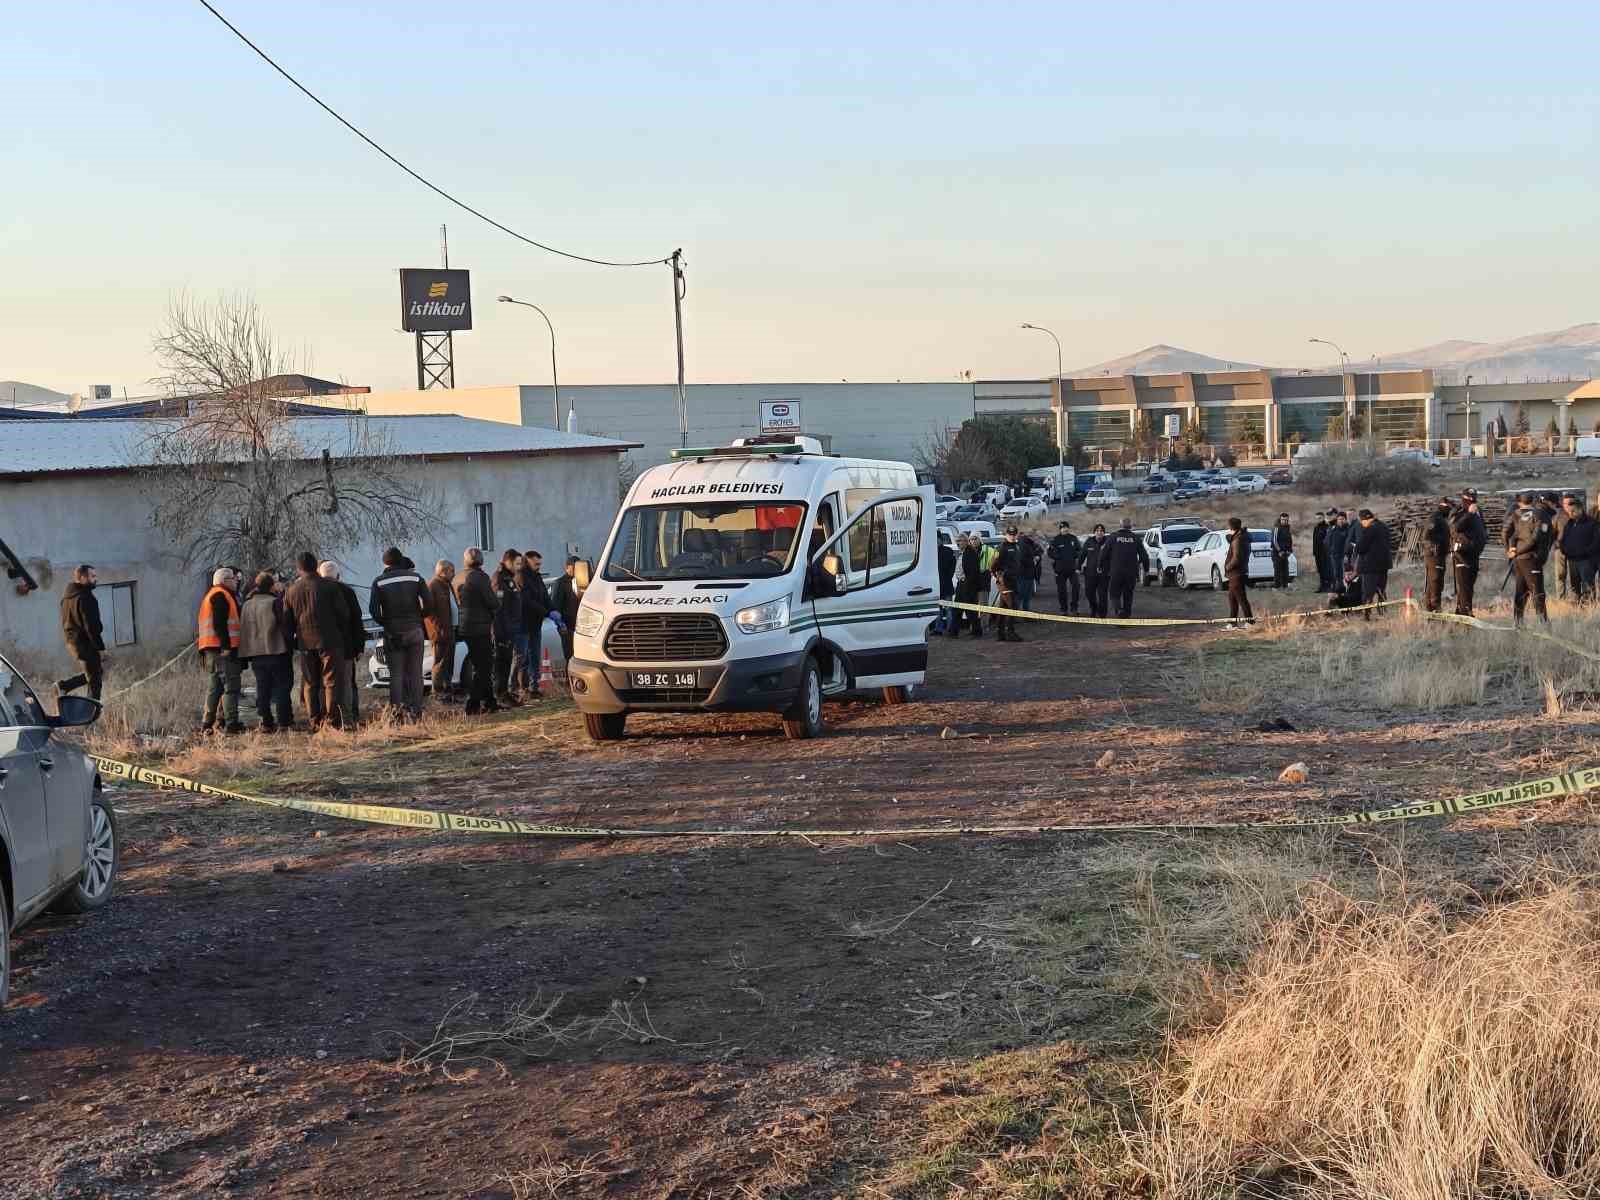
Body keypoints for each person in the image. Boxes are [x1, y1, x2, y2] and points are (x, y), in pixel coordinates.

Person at [284, 551, 347, 730]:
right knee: (331, 682)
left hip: (305, 642)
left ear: (299, 569)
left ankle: (315, 721)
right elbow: (343, 614)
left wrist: (293, 641)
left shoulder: (291, 591)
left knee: (310, 683)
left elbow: (287, 622)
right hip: (330, 640)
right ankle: (333, 722)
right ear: (316, 567)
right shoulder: (330, 586)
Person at [369, 547, 432, 720]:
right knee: (416, 673)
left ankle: (397, 714)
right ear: (401, 559)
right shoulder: (416, 577)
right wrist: (419, 617)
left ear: (385, 562)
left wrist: (387, 623)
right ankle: (416, 712)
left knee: (396, 674)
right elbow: (430, 602)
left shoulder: (379, 581)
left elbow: (373, 611)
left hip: (393, 632)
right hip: (415, 630)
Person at [239, 570, 294, 732]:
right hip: (276, 651)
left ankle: (265, 721)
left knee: (262, 687)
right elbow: (285, 626)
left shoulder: (247, 605)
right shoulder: (275, 602)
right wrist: (290, 645)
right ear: (271, 586)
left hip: (256, 654)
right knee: (282, 687)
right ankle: (284, 721)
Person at [197, 566, 244, 734]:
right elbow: (219, 624)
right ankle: (232, 723)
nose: (236, 582)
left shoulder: (210, 595)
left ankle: (207, 723)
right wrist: (226, 646)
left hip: (211, 650)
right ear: (225, 581)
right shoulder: (220, 596)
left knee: (214, 688)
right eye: (233, 579)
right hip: (222, 650)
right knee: (231, 686)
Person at [453, 546, 500, 715]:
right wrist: (497, 602)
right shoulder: (480, 577)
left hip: (464, 626)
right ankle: (472, 705)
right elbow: (492, 601)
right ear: (481, 561)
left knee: (480, 666)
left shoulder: (457, 577)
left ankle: (490, 702)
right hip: (480, 627)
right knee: (484, 667)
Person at [319, 562, 367, 724]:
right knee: (346, 682)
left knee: (325, 683)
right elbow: (356, 620)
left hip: (321, 645)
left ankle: (327, 717)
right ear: (338, 576)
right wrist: (359, 645)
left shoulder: (316, 590)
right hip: (346, 644)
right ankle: (348, 717)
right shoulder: (347, 591)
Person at [57, 564, 108, 700]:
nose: (96, 579)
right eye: (93, 576)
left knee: (95, 672)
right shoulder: (86, 597)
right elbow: (91, 627)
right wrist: (100, 648)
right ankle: (91, 714)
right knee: (95, 680)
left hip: (72, 643)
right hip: (85, 643)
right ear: (82, 577)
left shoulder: (66, 598)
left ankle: (63, 686)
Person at [1506, 491, 1550, 626]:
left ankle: (1518, 622)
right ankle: (1543, 623)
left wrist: (1512, 549)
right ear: (1535, 501)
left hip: (1519, 560)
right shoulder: (1540, 515)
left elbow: (1513, 535)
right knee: (1537, 591)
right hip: (1531, 558)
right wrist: (1515, 550)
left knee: (1521, 591)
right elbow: (1536, 538)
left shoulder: (1522, 515)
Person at [491, 552, 526, 708]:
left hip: (510, 629)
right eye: (517, 564)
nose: (519, 567)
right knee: (501, 664)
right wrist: (501, 632)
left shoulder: (508, 579)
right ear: (508, 562)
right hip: (502, 630)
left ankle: (504, 693)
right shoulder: (499, 579)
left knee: (506, 663)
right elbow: (499, 609)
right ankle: (500, 695)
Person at [517, 550, 552, 696]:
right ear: (528, 561)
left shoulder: (537, 578)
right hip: (523, 624)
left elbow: (545, 597)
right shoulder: (521, 577)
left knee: (535, 656)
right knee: (523, 658)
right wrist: (545, 611)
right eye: (536, 564)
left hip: (535, 624)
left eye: (540, 564)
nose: (539, 566)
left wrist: (553, 610)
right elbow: (526, 601)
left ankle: (534, 686)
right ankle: (522, 687)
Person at [1450, 489, 1487, 617]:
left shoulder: (1478, 512)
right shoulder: (1459, 511)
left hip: (1474, 554)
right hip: (1462, 555)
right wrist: (1469, 514)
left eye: (1474, 499)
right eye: (1470, 499)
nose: (1473, 502)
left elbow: (1482, 529)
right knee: (1465, 588)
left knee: (1468, 588)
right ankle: (1467, 615)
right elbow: (1455, 528)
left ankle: (1460, 614)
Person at [425, 560, 458, 702]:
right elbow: (429, 612)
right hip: (440, 633)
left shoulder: (447, 585)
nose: (454, 573)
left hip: (451, 630)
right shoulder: (433, 585)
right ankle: (438, 693)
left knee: (449, 663)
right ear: (443, 571)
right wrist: (439, 629)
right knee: (440, 664)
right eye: (452, 571)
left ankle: (448, 693)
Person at [1104, 517, 1150, 619]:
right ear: (1131, 527)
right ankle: (1126, 617)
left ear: (1119, 526)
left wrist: (1100, 566)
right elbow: (1144, 556)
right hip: (1131, 573)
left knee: (1114, 594)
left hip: (1116, 572)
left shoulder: (1113, 537)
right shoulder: (1135, 538)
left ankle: (1119, 610)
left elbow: (1104, 553)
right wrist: (1146, 569)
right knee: (1128, 596)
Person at [1353, 509, 1392, 620]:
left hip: (1370, 566)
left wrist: (1356, 546)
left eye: (1361, 521)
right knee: (1381, 590)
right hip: (1384, 565)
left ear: (1364, 519)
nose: (1362, 524)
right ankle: (1383, 613)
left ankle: (1366, 615)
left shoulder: (1370, 529)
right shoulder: (1384, 527)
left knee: (1368, 592)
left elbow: (1360, 548)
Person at [1560, 496, 1599, 602]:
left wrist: (1584, 553)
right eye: (1569, 511)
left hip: (1586, 561)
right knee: (1574, 586)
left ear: (1580, 509)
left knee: (1587, 586)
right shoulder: (1569, 524)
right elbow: (1563, 540)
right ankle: (1576, 607)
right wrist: (1564, 550)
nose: (1571, 514)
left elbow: (1596, 543)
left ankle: (1589, 607)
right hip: (1572, 560)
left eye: (1573, 511)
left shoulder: (1592, 523)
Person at [1421, 497, 1452, 614]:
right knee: (1435, 581)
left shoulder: (1441, 519)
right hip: (1435, 556)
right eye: (1448, 509)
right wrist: (1435, 548)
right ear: (1444, 507)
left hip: (1439, 555)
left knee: (1436, 582)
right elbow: (1426, 536)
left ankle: (1431, 608)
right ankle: (1434, 607)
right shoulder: (1435, 518)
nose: (1449, 512)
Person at [550, 555, 584, 660]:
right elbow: (555, 606)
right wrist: (561, 625)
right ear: (567, 567)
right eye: (574, 568)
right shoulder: (560, 583)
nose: (576, 571)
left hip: (581, 627)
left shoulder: (582, 582)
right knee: (570, 656)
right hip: (567, 627)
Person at [1223, 517, 1254, 628]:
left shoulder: (1238, 540)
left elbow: (1236, 558)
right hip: (1236, 574)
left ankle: (1250, 622)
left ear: (1231, 527)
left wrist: (1227, 566)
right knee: (1233, 599)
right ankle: (1232, 623)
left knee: (1241, 599)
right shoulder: (1240, 537)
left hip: (1236, 573)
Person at [1047, 521, 1082, 615]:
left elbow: (1079, 550)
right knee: (1061, 590)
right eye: (1063, 528)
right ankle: (1063, 609)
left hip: (1072, 568)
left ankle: (1074, 608)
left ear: (1068, 528)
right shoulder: (1056, 540)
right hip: (1060, 569)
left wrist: (1075, 555)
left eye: (1066, 527)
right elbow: (1049, 552)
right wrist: (1057, 556)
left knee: (1076, 587)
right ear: (1060, 529)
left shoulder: (1073, 538)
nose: (1065, 529)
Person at [953, 534, 983, 638]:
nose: (958, 543)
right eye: (957, 541)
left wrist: (968, 584)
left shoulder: (970, 553)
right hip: (961, 584)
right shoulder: (963, 553)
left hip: (968, 586)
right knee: (957, 609)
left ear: (966, 541)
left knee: (970, 610)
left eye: (960, 541)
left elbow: (973, 572)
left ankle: (977, 631)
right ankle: (953, 631)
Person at [990, 555, 1023, 642]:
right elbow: (993, 567)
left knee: (1003, 609)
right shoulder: (1005, 551)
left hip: (1007, 584)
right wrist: (1000, 578)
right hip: (1007, 585)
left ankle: (1001, 633)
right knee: (1012, 610)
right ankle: (1010, 633)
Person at [1543, 492, 1569, 601]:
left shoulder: (1578, 515)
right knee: (1560, 575)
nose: (1568, 505)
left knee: (1574, 577)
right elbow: (1551, 534)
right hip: (1560, 550)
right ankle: (1561, 600)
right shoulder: (1557, 516)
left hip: (1576, 550)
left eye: (1570, 503)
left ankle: (1575, 600)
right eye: (1566, 503)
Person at [1083, 523, 1111, 618]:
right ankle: (1094, 608)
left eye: (1101, 531)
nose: (1099, 532)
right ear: (1094, 532)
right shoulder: (1089, 541)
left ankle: (1103, 614)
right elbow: (1082, 555)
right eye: (1097, 531)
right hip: (1090, 573)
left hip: (1104, 573)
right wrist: (1078, 567)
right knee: (1089, 593)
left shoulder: (1108, 542)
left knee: (1103, 595)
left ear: (1104, 533)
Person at [934, 535, 957, 635]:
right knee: (938, 609)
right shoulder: (932, 552)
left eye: (937, 539)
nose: (936, 541)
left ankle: (949, 629)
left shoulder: (947, 551)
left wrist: (948, 577)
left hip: (945, 585)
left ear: (941, 540)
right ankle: (940, 629)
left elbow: (952, 566)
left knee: (948, 609)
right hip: (938, 586)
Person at [1017, 531, 1042, 611]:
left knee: (1027, 596)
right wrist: (1033, 561)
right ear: (1030, 536)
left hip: (1029, 573)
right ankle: (1015, 615)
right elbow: (1022, 559)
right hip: (1023, 574)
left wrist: (1037, 557)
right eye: (1035, 537)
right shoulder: (1023, 545)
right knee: (1021, 596)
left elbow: (1038, 552)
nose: (1036, 539)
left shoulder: (1029, 544)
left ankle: (1025, 613)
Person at [1327, 512, 1352, 589]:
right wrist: (1330, 549)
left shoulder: (1349, 529)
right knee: (1336, 572)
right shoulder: (1333, 528)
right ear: (1337, 520)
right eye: (1339, 519)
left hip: (1345, 555)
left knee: (1346, 572)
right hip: (1334, 554)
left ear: (1345, 519)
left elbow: (1349, 542)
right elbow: (1328, 540)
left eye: (1342, 519)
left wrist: (1347, 553)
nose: (1341, 521)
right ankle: (1338, 586)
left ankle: (1348, 587)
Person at [1270, 514, 1293, 589]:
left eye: (1286, 520)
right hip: (1277, 553)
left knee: (1285, 570)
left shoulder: (1287, 528)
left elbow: (1289, 540)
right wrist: (1279, 551)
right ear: (1280, 519)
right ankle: (1276, 587)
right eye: (1283, 519)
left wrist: (1290, 550)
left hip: (1285, 553)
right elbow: (1274, 541)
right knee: (1277, 570)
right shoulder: (1277, 528)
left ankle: (1285, 586)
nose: (1285, 521)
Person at [1311, 512, 1332, 593]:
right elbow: (1314, 540)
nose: (1318, 520)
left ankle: (1328, 586)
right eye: (1316, 518)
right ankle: (1322, 586)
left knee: (1326, 569)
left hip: (1325, 553)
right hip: (1317, 553)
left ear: (1323, 518)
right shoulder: (1316, 527)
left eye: (1319, 518)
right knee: (1320, 570)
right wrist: (1314, 552)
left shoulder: (1327, 527)